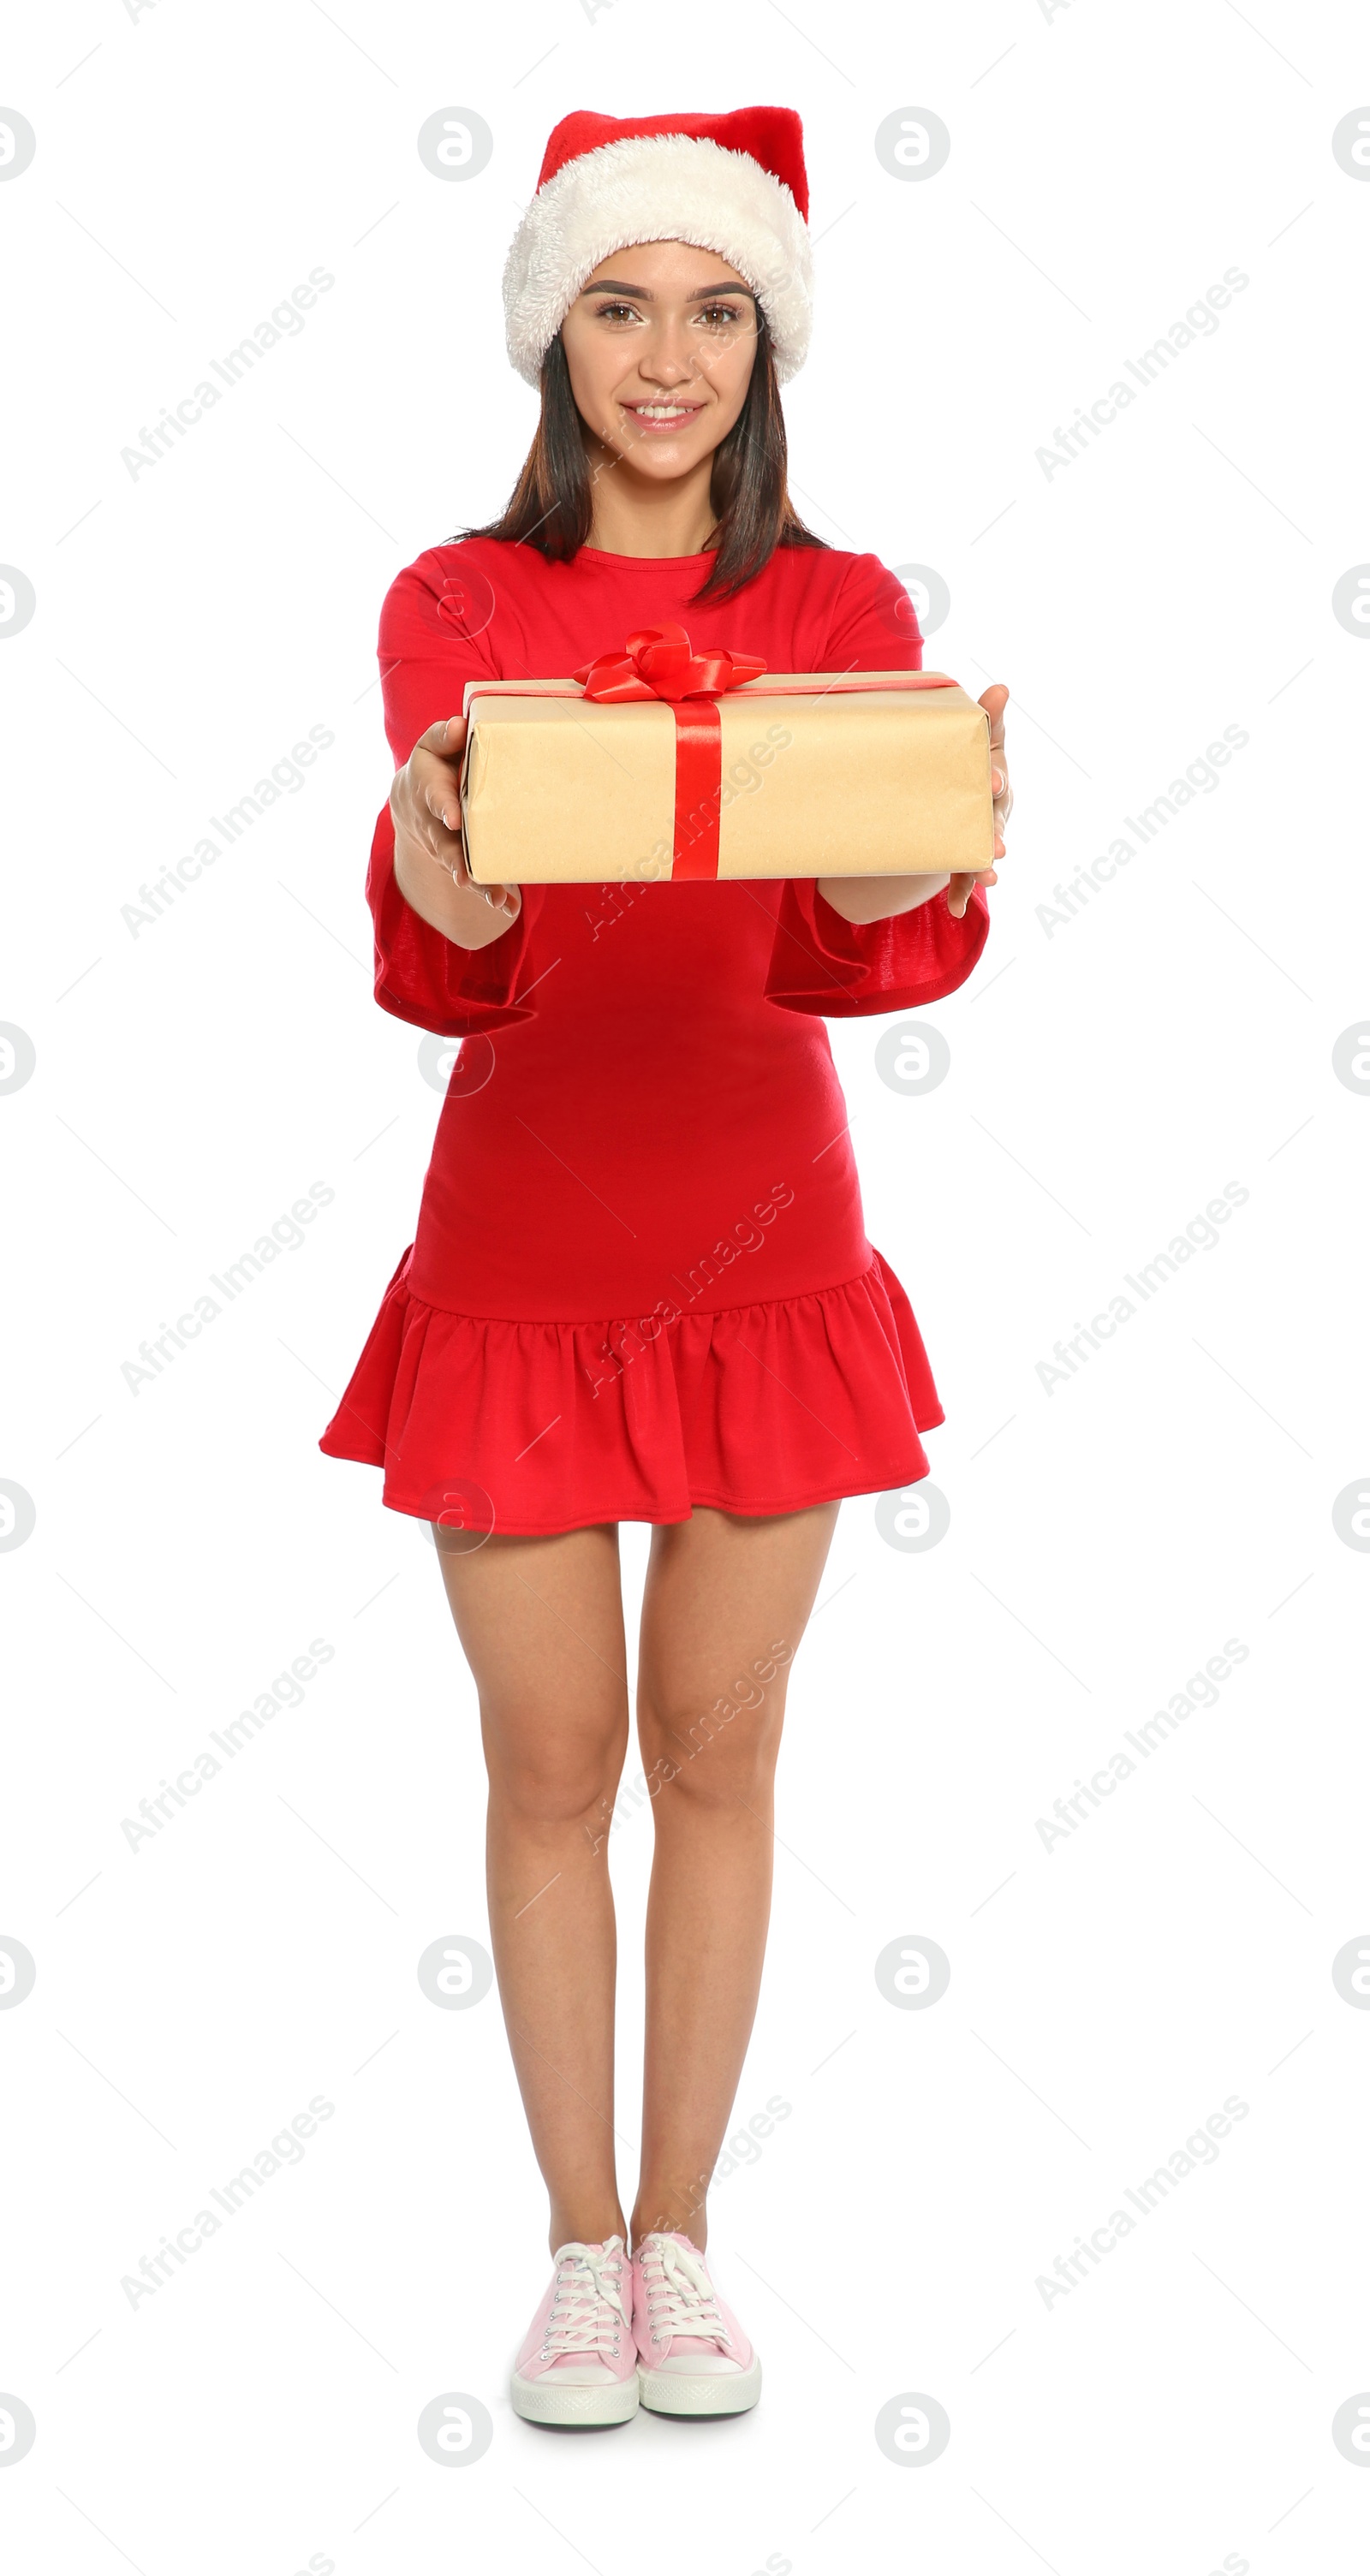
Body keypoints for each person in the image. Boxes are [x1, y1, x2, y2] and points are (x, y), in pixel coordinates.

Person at [320, 104, 1010, 2428]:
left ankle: (684, 2245)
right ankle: (571, 2247)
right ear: (553, 332)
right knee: (551, 1758)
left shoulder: (842, 608)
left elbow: (864, 958)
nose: (667, 355)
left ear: (770, 340)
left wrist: (936, 840)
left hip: (764, 1250)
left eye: (717, 309)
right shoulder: (459, 599)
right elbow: (444, 948)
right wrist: (451, 866)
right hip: (519, 1256)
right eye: (621, 304)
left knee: (718, 1747)